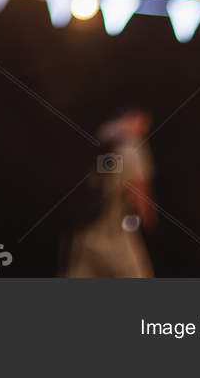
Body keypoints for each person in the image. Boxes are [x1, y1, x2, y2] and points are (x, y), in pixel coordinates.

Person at [64, 109, 156, 277]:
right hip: (116, 239)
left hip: (86, 236)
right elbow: (141, 201)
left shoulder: (97, 140)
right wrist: (147, 218)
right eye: (144, 123)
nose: (144, 129)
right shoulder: (130, 149)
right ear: (133, 117)